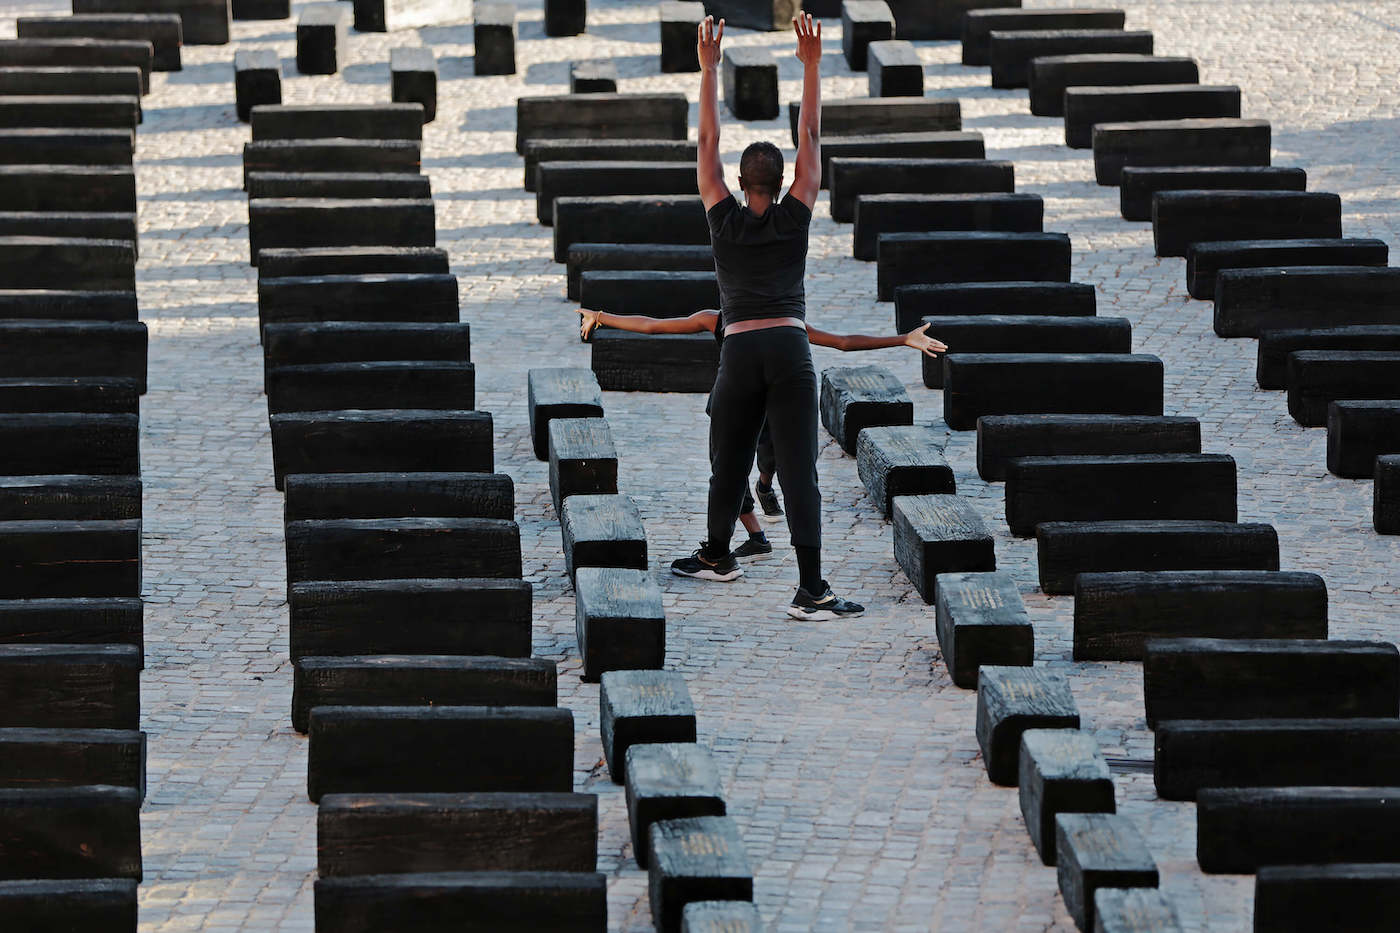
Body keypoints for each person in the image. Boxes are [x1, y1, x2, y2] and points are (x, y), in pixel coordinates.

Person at [661, 12, 911, 620]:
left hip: (740, 350)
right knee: (799, 470)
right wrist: (812, 64)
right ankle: (811, 589)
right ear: (780, 182)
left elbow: (706, 145)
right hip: (790, 348)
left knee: (729, 458)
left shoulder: (721, 216)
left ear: (742, 181)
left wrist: (708, 70)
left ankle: (719, 554)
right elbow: (812, 142)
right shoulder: (796, 213)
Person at [576, 307, 947, 558]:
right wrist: (601, 317)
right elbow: (654, 325)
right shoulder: (717, 319)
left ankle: (765, 488)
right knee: (728, 478)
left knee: (768, 465)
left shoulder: (786, 321)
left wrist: (902, 339)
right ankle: (756, 536)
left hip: (773, 414)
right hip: (732, 409)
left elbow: (843, 341)